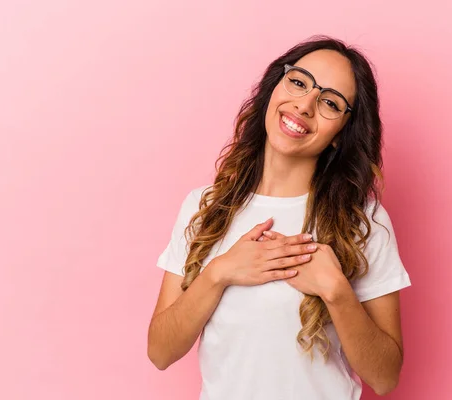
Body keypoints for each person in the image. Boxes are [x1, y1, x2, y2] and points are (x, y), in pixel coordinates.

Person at [147, 35, 412, 400]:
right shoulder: (204, 207)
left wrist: (336, 292)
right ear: (274, 89)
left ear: (340, 135)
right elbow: (160, 352)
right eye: (299, 82)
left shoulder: (364, 222)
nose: (304, 106)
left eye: (330, 103)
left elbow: (385, 378)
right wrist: (220, 272)